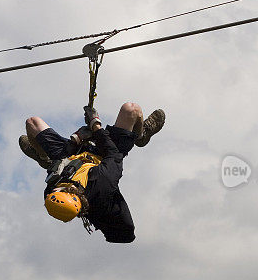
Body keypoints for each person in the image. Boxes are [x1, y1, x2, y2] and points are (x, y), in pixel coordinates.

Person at [19, 103, 165, 243]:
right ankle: (141, 135)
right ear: (73, 194)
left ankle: (44, 158)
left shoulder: (52, 191)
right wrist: (95, 126)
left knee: (32, 123)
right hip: (104, 154)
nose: (57, 187)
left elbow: (64, 160)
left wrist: (77, 139)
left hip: (69, 159)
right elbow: (113, 153)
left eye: (55, 190)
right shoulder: (101, 182)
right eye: (62, 189)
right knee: (131, 109)